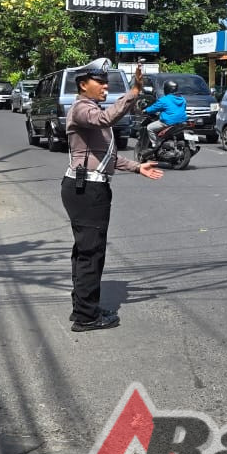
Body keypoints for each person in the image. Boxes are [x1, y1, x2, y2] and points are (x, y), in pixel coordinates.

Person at [61, 59, 163, 332]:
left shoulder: (92, 110)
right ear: (83, 84)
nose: (106, 87)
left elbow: (107, 158)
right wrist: (133, 93)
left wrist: (137, 167)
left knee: (86, 251)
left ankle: (82, 308)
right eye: (100, 82)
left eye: (107, 82)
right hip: (86, 190)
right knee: (91, 254)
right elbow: (107, 118)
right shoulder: (83, 109)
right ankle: (86, 317)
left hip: (88, 187)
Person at [142, 79, 187, 153]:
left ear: (166, 89)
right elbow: (184, 108)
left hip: (168, 122)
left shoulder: (164, 100)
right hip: (181, 122)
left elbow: (154, 108)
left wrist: (146, 110)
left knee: (149, 128)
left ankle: (155, 144)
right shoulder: (182, 99)